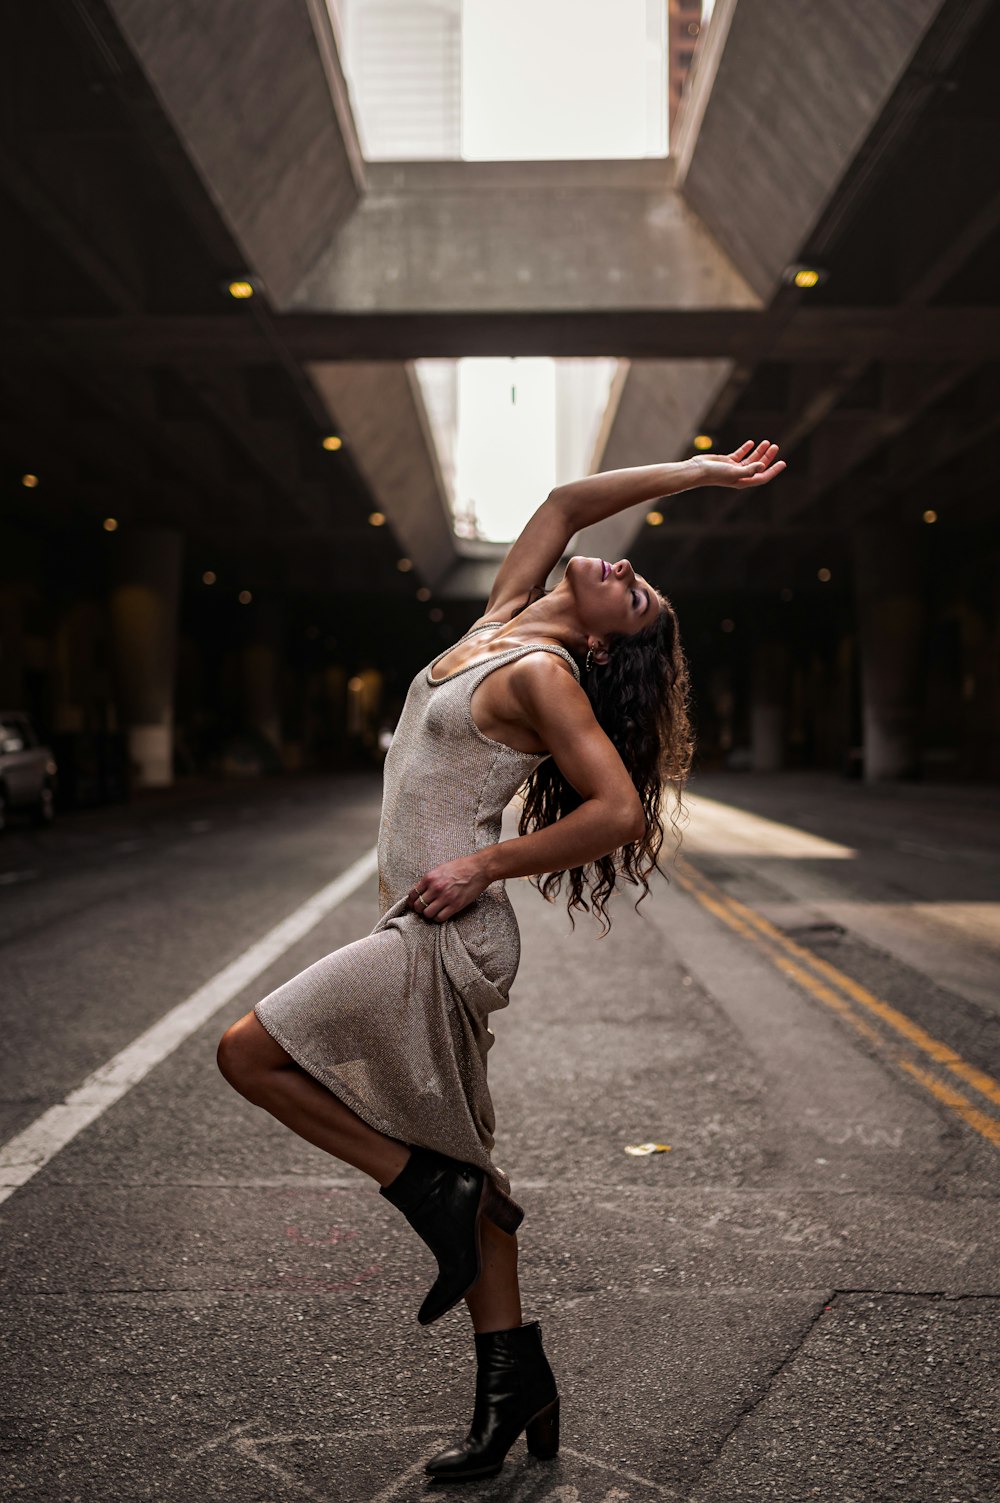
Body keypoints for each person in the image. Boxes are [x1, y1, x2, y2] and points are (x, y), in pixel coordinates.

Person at [216, 438, 786, 1481]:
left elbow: (616, 809)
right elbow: (568, 500)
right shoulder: (504, 620)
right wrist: (697, 476)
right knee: (470, 1169)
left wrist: (488, 861)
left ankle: (423, 1190)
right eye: (628, 565)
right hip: (416, 923)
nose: (622, 567)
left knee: (246, 1055)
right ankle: (511, 1377)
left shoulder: (541, 672)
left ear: (611, 651)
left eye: (638, 590)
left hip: (445, 935)